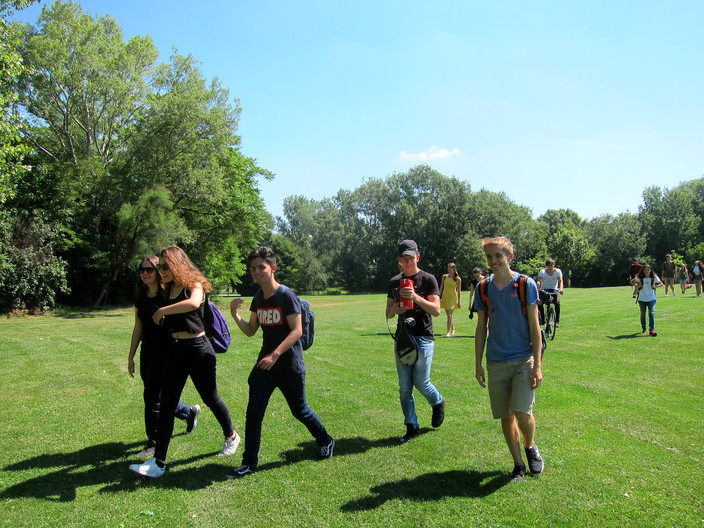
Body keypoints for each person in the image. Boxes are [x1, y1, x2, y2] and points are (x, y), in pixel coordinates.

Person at [129, 246, 240, 478]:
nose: (161, 271)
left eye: (164, 266)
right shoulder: (167, 288)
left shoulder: (194, 284)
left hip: (199, 350)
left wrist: (162, 312)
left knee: (211, 397)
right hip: (176, 350)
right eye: (159, 267)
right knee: (167, 404)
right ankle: (158, 463)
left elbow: (193, 303)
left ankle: (231, 436)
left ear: (177, 264)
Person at [226, 246, 334, 478]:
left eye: (261, 267)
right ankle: (249, 463)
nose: (256, 272)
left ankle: (325, 440)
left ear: (273, 268)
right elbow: (251, 330)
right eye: (252, 268)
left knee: (300, 410)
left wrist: (275, 354)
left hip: (288, 366)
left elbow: (296, 331)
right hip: (265, 366)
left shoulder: (286, 295)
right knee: (253, 414)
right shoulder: (258, 298)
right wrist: (235, 315)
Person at [474, 237, 544, 482]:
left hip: (523, 358)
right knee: (506, 415)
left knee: (522, 411)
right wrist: (478, 363)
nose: (493, 261)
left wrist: (537, 365)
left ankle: (530, 445)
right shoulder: (482, 288)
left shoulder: (526, 284)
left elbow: (535, 327)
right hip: (496, 361)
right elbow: (481, 327)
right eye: (489, 257)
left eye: (498, 256)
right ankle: (517, 465)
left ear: (509, 257)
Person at [127, 255, 200, 458]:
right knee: (156, 395)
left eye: (150, 269)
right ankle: (188, 412)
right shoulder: (141, 298)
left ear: (158, 271)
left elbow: (189, 303)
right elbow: (138, 327)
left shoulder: (167, 294)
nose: (145, 273)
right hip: (147, 351)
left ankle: (154, 442)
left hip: (166, 350)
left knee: (151, 396)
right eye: (142, 270)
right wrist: (131, 356)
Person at [386, 240, 445, 443]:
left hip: (424, 338)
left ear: (417, 257)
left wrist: (415, 297)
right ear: (400, 261)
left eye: (410, 258)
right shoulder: (395, 281)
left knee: (422, 382)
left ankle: (437, 402)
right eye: (404, 259)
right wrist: (396, 309)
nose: (407, 262)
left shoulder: (428, 279)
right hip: (403, 338)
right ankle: (411, 426)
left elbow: (436, 310)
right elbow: (388, 313)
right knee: (405, 387)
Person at [630, 264, 661, 336]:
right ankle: (644, 328)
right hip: (642, 299)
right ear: (643, 271)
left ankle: (652, 329)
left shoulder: (654, 277)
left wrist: (655, 286)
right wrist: (637, 285)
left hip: (652, 298)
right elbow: (632, 281)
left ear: (650, 270)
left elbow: (661, 283)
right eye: (645, 270)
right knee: (643, 314)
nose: (646, 271)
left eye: (648, 269)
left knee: (651, 313)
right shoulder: (640, 278)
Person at [537, 259, 564, 327]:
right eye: (549, 265)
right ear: (547, 266)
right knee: (539, 303)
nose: (551, 267)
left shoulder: (558, 271)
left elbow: (560, 281)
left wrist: (560, 289)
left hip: (554, 289)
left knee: (557, 303)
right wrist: (538, 288)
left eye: (552, 265)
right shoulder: (542, 272)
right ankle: (542, 319)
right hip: (544, 289)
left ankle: (557, 321)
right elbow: (539, 281)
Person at [439, 263, 461, 337]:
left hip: (452, 297)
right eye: (448, 268)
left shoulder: (458, 279)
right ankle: (453, 329)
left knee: (449, 314)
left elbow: (459, 291)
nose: (448, 269)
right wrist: (439, 297)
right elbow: (441, 287)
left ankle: (448, 332)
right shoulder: (444, 276)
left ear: (454, 269)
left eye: (450, 268)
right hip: (445, 296)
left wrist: (459, 302)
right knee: (449, 315)